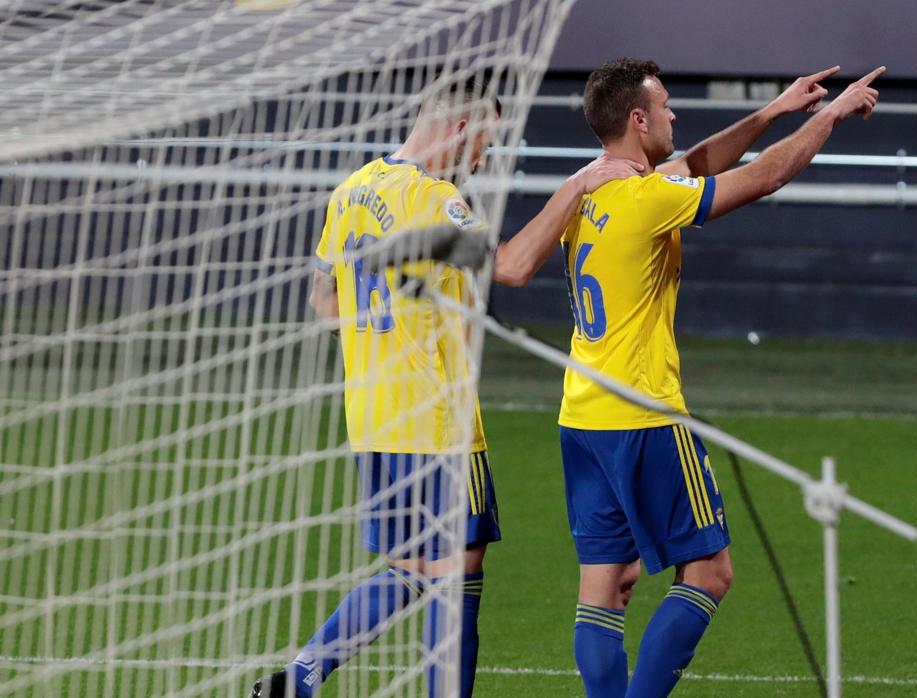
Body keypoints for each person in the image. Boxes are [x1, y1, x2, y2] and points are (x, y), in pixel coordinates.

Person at [251, 77, 640, 698]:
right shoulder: (438, 201)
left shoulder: (352, 189)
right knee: (458, 570)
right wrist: (579, 184)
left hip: (373, 418)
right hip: (437, 421)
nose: (484, 157)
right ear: (460, 128)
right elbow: (511, 266)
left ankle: (300, 677)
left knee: (410, 566)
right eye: (485, 139)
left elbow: (323, 299)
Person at [557, 58, 884, 697]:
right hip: (644, 414)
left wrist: (774, 111)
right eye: (667, 105)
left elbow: (696, 164)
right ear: (638, 118)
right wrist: (832, 115)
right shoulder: (647, 198)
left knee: (606, 588)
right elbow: (761, 177)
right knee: (709, 573)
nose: (676, 115)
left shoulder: (588, 190)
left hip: (582, 415)